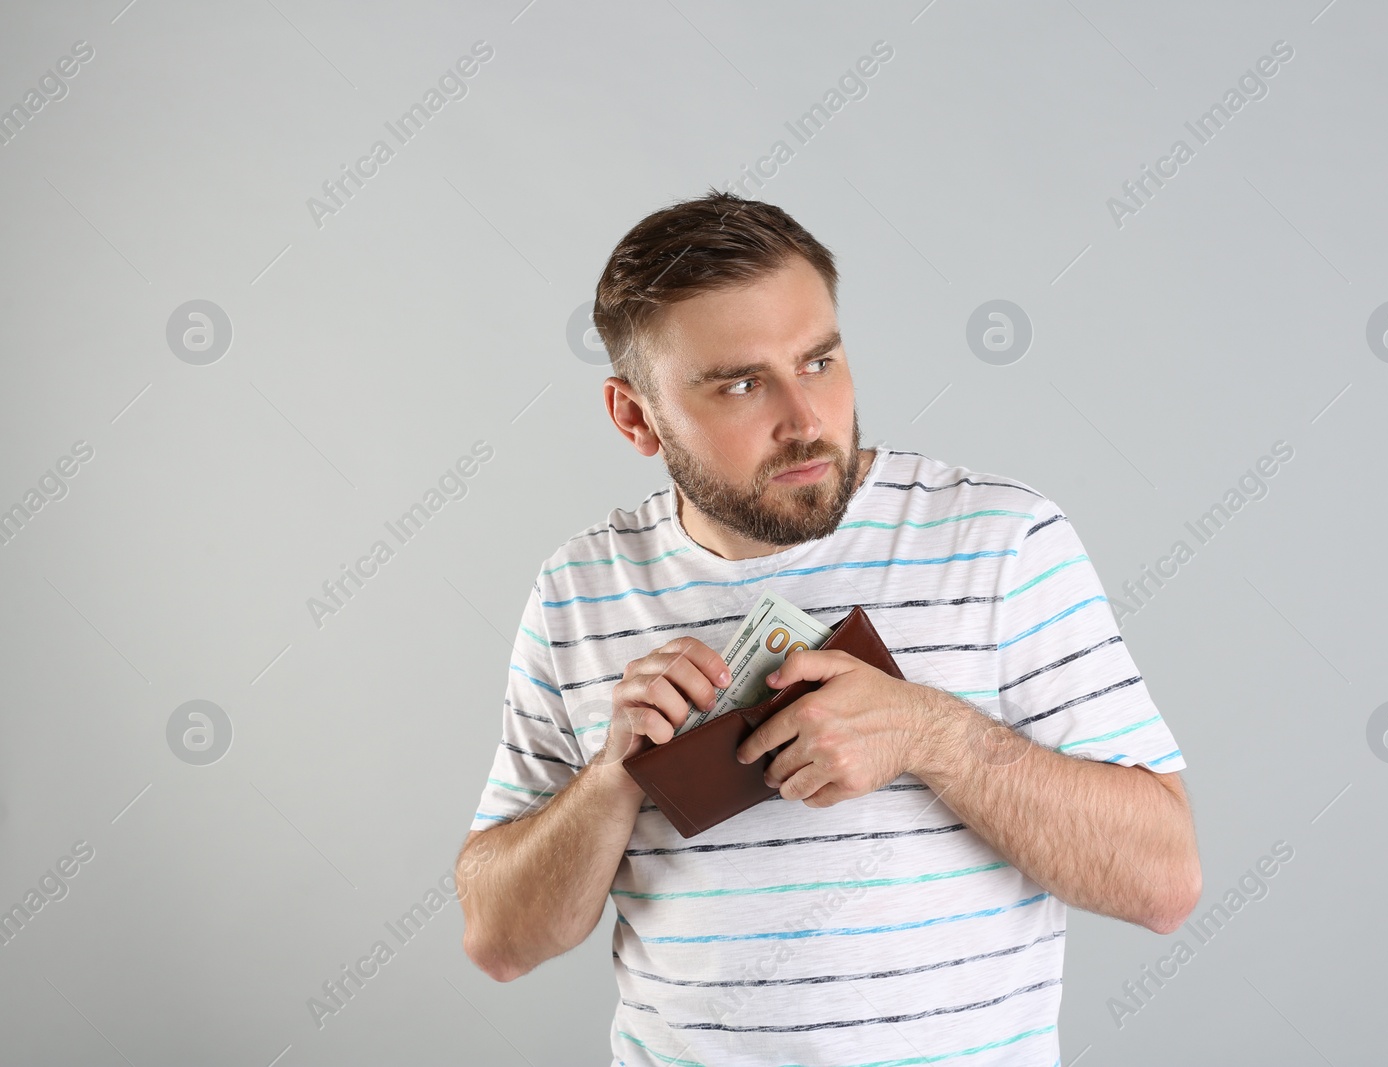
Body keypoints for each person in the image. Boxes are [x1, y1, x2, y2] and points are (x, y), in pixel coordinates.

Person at [457, 189, 1201, 1066]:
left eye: (819, 362)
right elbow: (502, 940)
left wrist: (937, 735)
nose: (807, 420)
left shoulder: (1003, 542)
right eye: (741, 384)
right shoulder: (578, 590)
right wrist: (615, 778)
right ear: (635, 416)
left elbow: (1164, 882)